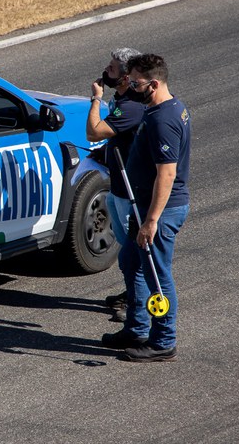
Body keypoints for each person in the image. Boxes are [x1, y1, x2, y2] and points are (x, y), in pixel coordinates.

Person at [103, 53, 191, 362]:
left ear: (153, 84)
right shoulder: (159, 109)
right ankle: (136, 328)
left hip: (158, 213)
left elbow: (167, 173)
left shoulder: (163, 120)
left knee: (157, 275)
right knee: (130, 261)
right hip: (141, 207)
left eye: (137, 81)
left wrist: (151, 220)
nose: (131, 84)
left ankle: (163, 340)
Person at [87, 48, 145, 323]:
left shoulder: (132, 105)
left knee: (135, 252)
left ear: (124, 77)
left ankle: (137, 305)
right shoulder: (122, 98)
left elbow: (94, 131)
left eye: (111, 68)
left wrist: (95, 100)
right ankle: (131, 293)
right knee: (127, 248)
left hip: (131, 193)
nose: (105, 71)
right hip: (118, 187)